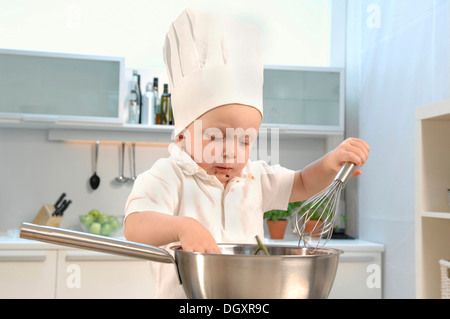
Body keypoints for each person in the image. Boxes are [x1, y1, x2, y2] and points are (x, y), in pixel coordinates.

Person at [124, 8, 369, 298]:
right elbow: (135, 225)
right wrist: (183, 227)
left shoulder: (254, 177)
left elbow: (302, 183)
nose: (231, 152)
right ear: (181, 137)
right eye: (217, 136)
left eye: (244, 141)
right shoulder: (170, 175)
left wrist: (330, 163)